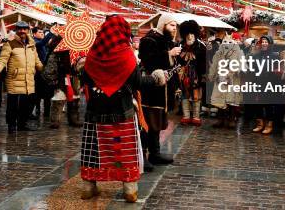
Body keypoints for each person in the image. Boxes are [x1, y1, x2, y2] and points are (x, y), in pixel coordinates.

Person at [80, 15, 166, 203]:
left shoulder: (93, 53)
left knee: (93, 151)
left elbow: (85, 78)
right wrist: (157, 78)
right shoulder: (125, 53)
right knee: (124, 150)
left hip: (95, 111)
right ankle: (129, 189)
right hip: (122, 111)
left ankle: (88, 186)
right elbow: (137, 82)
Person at [138, 13, 180, 171]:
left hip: (162, 90)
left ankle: (155, 153)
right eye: (171, 25)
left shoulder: (167, 40)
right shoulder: (150, 39)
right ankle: (144, 156)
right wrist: (168, 54)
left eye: (175, 25)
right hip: (150, 89)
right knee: (148, 122)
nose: (174, 28)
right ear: (163, 25)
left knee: (157, 122)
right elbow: (148, 60)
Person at [0, 21, 43, 134]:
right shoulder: (10, 43)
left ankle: (22, 124)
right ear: (16, 30)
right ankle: (11, 125)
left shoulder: (32, 44)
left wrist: (43, 69)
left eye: (24, 29)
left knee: (26, 104)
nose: (22, 31)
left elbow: (36, 60)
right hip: (14, 79)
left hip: (28, 78)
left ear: (28, 30)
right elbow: (2, 60)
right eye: (20, 29)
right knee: (13, 105)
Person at [208, 33, 244, 128]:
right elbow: (214, 65)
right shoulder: (218, 53)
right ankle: (220, 119)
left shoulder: (238, 52)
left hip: (233, 80)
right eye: (225, 42)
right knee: (219, 100)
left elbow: (241, 65)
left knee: (231, 101)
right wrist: (212, 75)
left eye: (229, 42)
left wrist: (231, 72)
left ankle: (231, 120)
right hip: (220, 79)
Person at [176, 20, 206, 126]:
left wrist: (203, 76)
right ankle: (186, 116)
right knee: (184, 95)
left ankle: (196, 117)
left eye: (192, 34)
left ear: (195, 34)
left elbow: (205, 63)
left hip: (196, 75)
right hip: (183, 75)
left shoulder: (201, 46)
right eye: (187, 34)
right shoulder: (179, 46)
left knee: (196, 96)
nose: (189, 36)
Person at [251, 35, 280, 135]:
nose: (264, 43)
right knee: (257, 104)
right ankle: (260, 124)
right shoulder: (256, 55)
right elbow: (253, 70)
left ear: (270, 43)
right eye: (262, 41)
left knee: (268, 105)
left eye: (266, 42)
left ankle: (269, 125)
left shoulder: (275, 56)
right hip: (258, 83)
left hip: (270, 83)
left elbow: (278, 71)